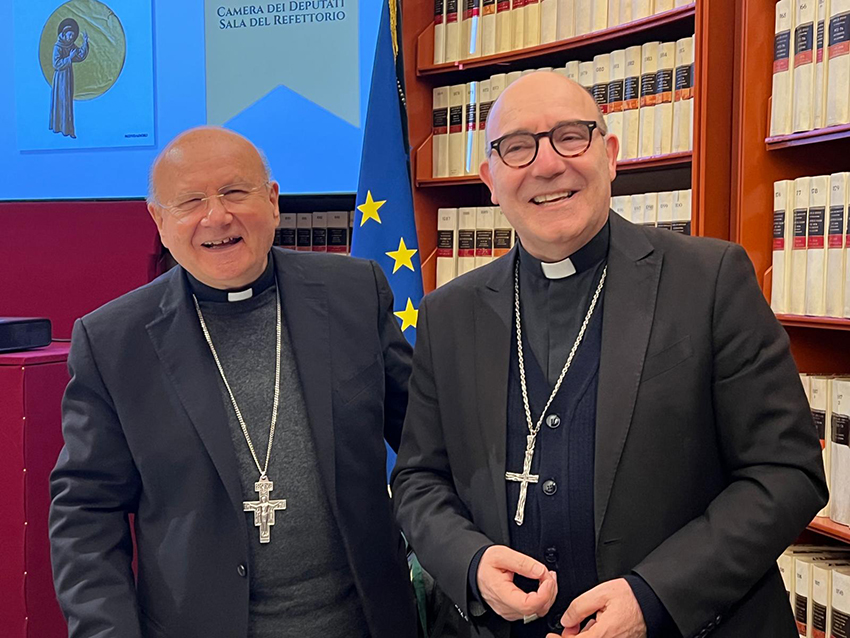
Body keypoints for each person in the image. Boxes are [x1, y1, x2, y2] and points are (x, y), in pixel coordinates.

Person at [391, 72, 827, 638]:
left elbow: (787, 472)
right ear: (491, 179)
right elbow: (419, 478)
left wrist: (653, 597)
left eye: (571, 136)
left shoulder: (711, 280)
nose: (548, 165)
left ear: (610, 154)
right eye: (518, 147)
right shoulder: (448, 313)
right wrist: (470, 564)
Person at [49, 126, 418, 638]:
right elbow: (86, 513)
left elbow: (426, 439)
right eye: (190, 202)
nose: (217, 216)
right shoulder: (113, 340)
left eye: (235, 192)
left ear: (273, 201)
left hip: (366, 622)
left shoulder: (355, 293)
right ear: (159, 221)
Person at [50, 18, 89, 138]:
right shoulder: (58, 46)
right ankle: (59, 127)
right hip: (60, 78)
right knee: (61, 101)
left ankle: (68, 129)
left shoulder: (71, 45)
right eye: (70, 35)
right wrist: (69, 58)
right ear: (64, 33)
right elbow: (56, 64)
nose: (71, 37)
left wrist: (85, 42)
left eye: (73, 35)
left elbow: (80, 56)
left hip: (68, 76)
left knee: (68, 102)